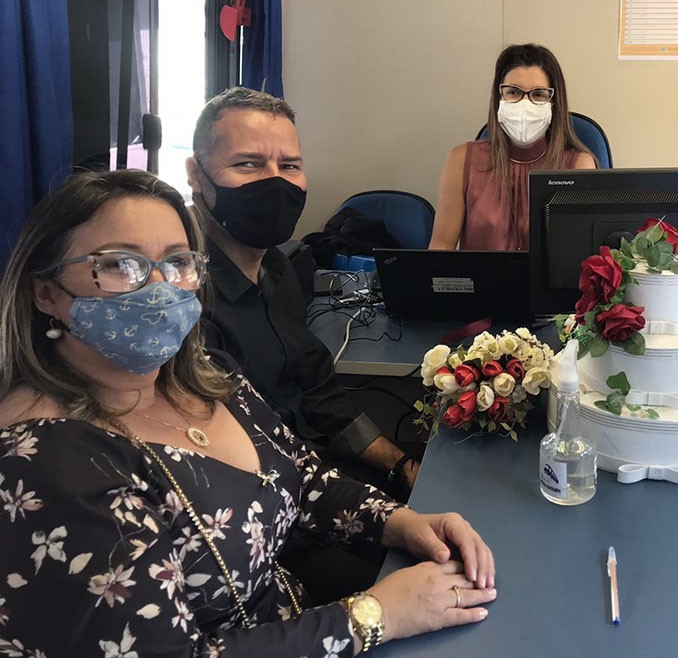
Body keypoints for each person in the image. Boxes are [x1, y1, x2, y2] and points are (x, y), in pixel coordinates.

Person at [0, 169, 496, 655]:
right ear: (46, 292)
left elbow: (301, 479)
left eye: (177, 262)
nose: (159, 286)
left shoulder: (206, 374)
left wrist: (400, 522)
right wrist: (374, 615)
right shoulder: (45, 466)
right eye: (119, 265)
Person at [185, 87, 418, 500]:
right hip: (268, 499)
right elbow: (239, 461)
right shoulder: (185, 305)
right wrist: (381, 512)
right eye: (248, 163)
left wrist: (399, 464)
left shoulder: (279, 268)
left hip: (318, 464)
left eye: (289, 165)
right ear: (196, 175)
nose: (275, 181)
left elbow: (318, 391)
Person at [429, 43, 596, 251]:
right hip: (479, 273)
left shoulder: (578, 166)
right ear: (499, 97)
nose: (524, 104)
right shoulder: (461, 161)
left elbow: (581, 253)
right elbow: (441, 246)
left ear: (554, 103)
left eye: (538, 94)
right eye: (513, 92)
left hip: (548, 275)